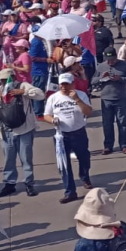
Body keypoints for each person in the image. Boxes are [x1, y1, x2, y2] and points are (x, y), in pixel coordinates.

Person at [0, 68, 45, 197]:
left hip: (24, 129)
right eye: (3, 80)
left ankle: (29, 183)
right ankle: (9, 184)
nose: (6, 82)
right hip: (5, 130)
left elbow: (40, 94)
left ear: (14, 78)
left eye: (8, 79)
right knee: (8, 159)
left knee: (26, 158)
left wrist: (24, 92)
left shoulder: (23, 85)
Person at [42, 72, 95, 203]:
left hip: (79, 133)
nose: (64, 87)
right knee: (64, 164)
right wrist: (52, 120)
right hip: (61, 136)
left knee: (84, 158)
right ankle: (70, 191)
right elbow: (46, 115)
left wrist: (77, 99)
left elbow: (88, 112)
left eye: (66, 84)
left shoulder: (81, 95)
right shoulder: (53, 98)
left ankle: (84, 176)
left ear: (72, 84)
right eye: (62, 84)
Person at [98, 49, 126, 155]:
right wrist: (101, 78)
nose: (111, 62)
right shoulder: (101, 66)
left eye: (113, 60)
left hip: (120, 98)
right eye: (108, 60)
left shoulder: (125, 65)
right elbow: (93, 81)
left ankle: (124, 145)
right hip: (106, 99)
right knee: (107, 123)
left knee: (122, 122)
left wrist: (120, 78)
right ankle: (108, 146)